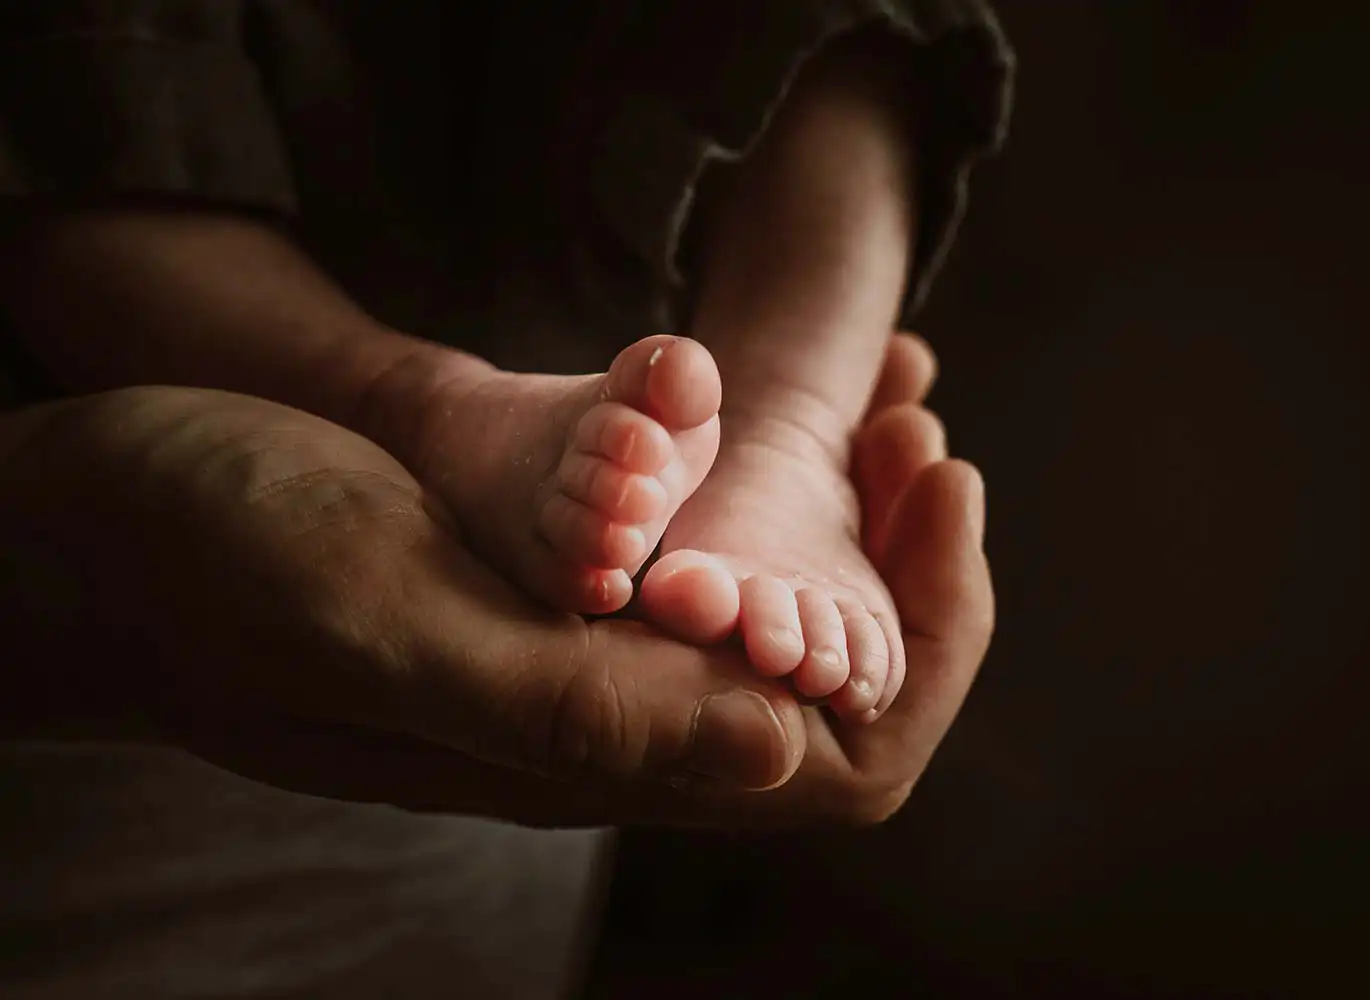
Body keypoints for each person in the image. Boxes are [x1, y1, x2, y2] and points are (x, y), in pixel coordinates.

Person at [0, 1, 1012, 996]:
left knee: (847, 45)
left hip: (469, 908)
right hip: (102, 805)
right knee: (92, 89)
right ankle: (416, 402)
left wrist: (790, 425)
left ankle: (787, 427)